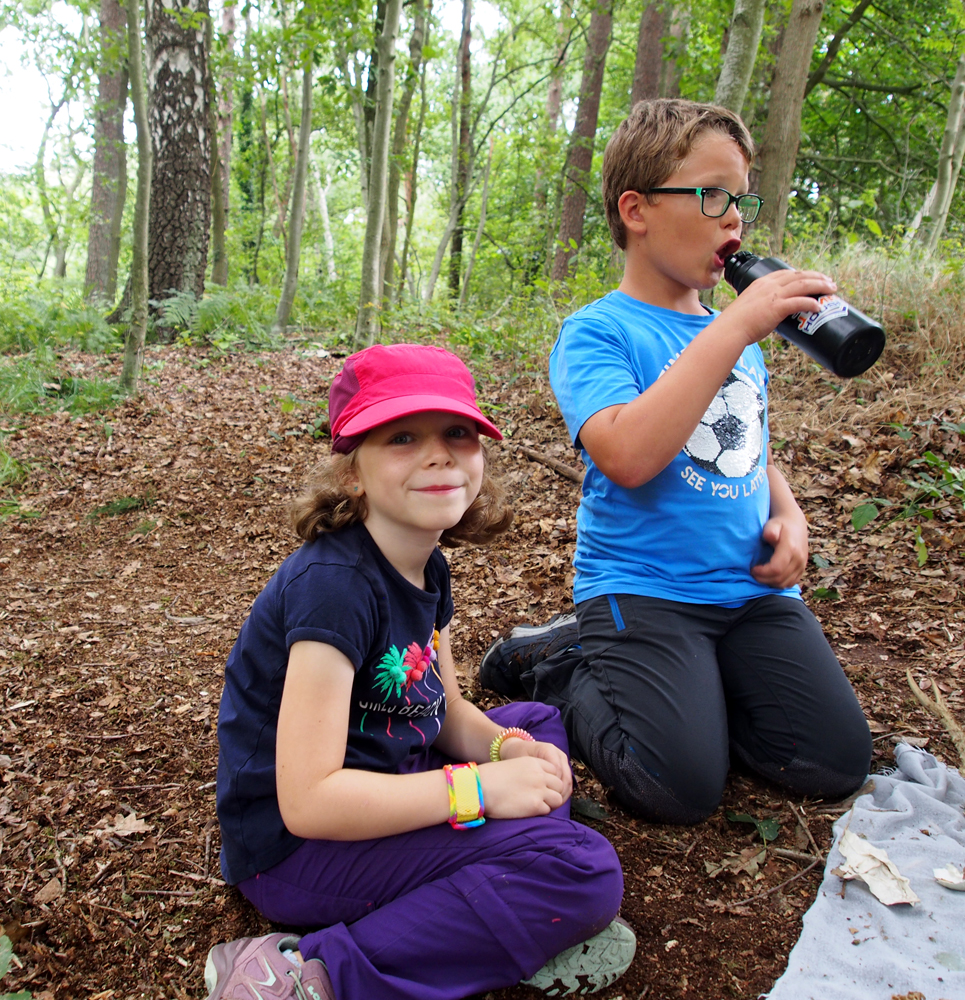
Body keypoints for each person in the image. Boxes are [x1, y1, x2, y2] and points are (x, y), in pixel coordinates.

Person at [480, 99, 872, 826]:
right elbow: (627, 454)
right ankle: (561, 660)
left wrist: (788, 514)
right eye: (712, 194)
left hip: (748, 595)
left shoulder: (733, 335)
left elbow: (748, 445)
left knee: (831, 761)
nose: (734, 219)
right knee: (677, 786)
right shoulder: (598, 332)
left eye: (741, 199)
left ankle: (697, 687)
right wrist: (735, 325)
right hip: (646, 590)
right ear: (636, 209)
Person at [206, 343, 636, 1000]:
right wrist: (481, 792)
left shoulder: (425, 567)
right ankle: (306, 974)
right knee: (583, 872)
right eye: (402, 437)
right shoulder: (334, 588)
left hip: (388, 778)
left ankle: (495, 877)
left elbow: (444, 711)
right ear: (353, 472)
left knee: (535, 720)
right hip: (296, 853)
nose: (439, 455)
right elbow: (308, 801)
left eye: (457, 435)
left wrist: (499, 749)